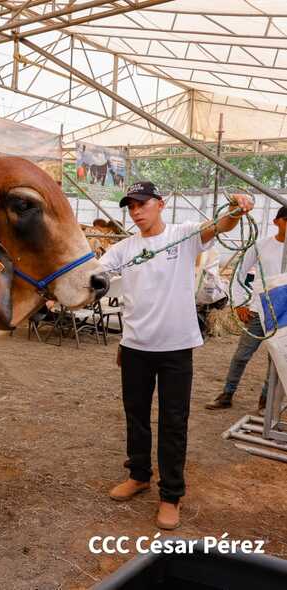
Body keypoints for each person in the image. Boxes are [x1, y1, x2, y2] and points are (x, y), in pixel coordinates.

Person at [99, 181, 253, 531]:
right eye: (131, 206)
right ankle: (139, 475)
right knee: (136, 416)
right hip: (135, 348)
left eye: (142, 204)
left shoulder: (183, 236)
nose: (136, 211)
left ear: (160, 204)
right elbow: (96, 273)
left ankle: (170, 495)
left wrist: (235, 208)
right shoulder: (124, 248)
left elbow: (220, 225)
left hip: (176, 349)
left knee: (173, 421)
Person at [206, 205, 287, 414]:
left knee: (275, 359)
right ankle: (227, 394)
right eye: (286, 220)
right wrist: (240, 303)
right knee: (242, 355)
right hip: (259, 310)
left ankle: (265, 401)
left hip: (283, 314)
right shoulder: (261, 245)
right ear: (277, 222)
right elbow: (239, 274)